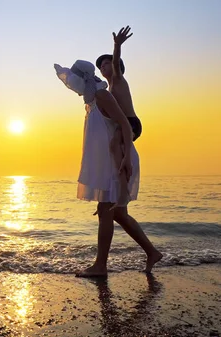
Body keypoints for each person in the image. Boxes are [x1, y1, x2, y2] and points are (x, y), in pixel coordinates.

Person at [54, 59, 162, 277]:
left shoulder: (103, 95)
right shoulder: (92, 100)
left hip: (117, 161)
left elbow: (124, 122)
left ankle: (100, 266)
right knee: (118, 214)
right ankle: (152, 252)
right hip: (108, 161)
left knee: (106, 211)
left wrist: (127, 160)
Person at [96, 26, 141, 208]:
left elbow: (115, 64)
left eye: (105, 63)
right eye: (100, 66)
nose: (102, 67)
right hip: (121, 127)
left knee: (115, 145)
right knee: (114, 147)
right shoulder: (107, 89)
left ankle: (123, 194)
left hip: (131, 124)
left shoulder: (118, 80)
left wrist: (117, 45)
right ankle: (118, 190)